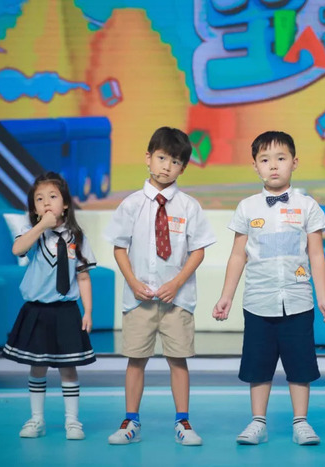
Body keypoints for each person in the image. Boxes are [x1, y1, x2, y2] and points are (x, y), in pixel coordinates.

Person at [212, 130, 325, 446]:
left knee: (300, 366)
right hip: (258, 302)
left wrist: (323, 297)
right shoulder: (247, 207)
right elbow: (237, 255)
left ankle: (301, 422)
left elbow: (316, 255)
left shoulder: (308, 206)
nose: (273, 165)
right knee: (258, 366)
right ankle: (258, 422)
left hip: (298, 301)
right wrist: (226, 296)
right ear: (255, 166)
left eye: (281, 158)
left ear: (294, 162)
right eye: (265, 160)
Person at [104, 127, 216, 445]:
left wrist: (176, 283)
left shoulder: (189, 206)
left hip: (177, 301)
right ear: (148, 158)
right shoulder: (131, 204)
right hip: (138, 300)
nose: (167, 167)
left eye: (176, 161)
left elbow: (198, 250)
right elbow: (119, 248)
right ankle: (131, 420)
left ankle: (183, 422)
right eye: (162, 158)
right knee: (135, 359)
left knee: (178, 360)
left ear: (183, 168)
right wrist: (133, 282)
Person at [2, 172, 97, 440]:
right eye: (39, 199)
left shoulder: (77, 237)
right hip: (37, 310)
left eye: (52, 197)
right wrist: (41, 225)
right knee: (37, 365)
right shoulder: (32, 234)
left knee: (68, 367)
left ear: (65, 204)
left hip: (66, 310)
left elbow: (83, 277)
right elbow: (17, 249)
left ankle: (72, 421)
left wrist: (88, 311)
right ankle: (36, 419)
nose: (46, 202)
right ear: (33, 208)